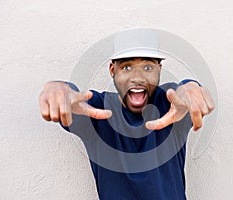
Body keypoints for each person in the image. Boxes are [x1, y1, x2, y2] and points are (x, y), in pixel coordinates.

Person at [39, 28, 215, 200]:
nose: (137, 77)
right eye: (126, 67)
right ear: (112, 70)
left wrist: (191, 87)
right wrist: (59, 89)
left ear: (159, 69)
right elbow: (72, 101)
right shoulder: (97, 110)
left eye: (147, 67)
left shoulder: (170, 105)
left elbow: (183, 92)